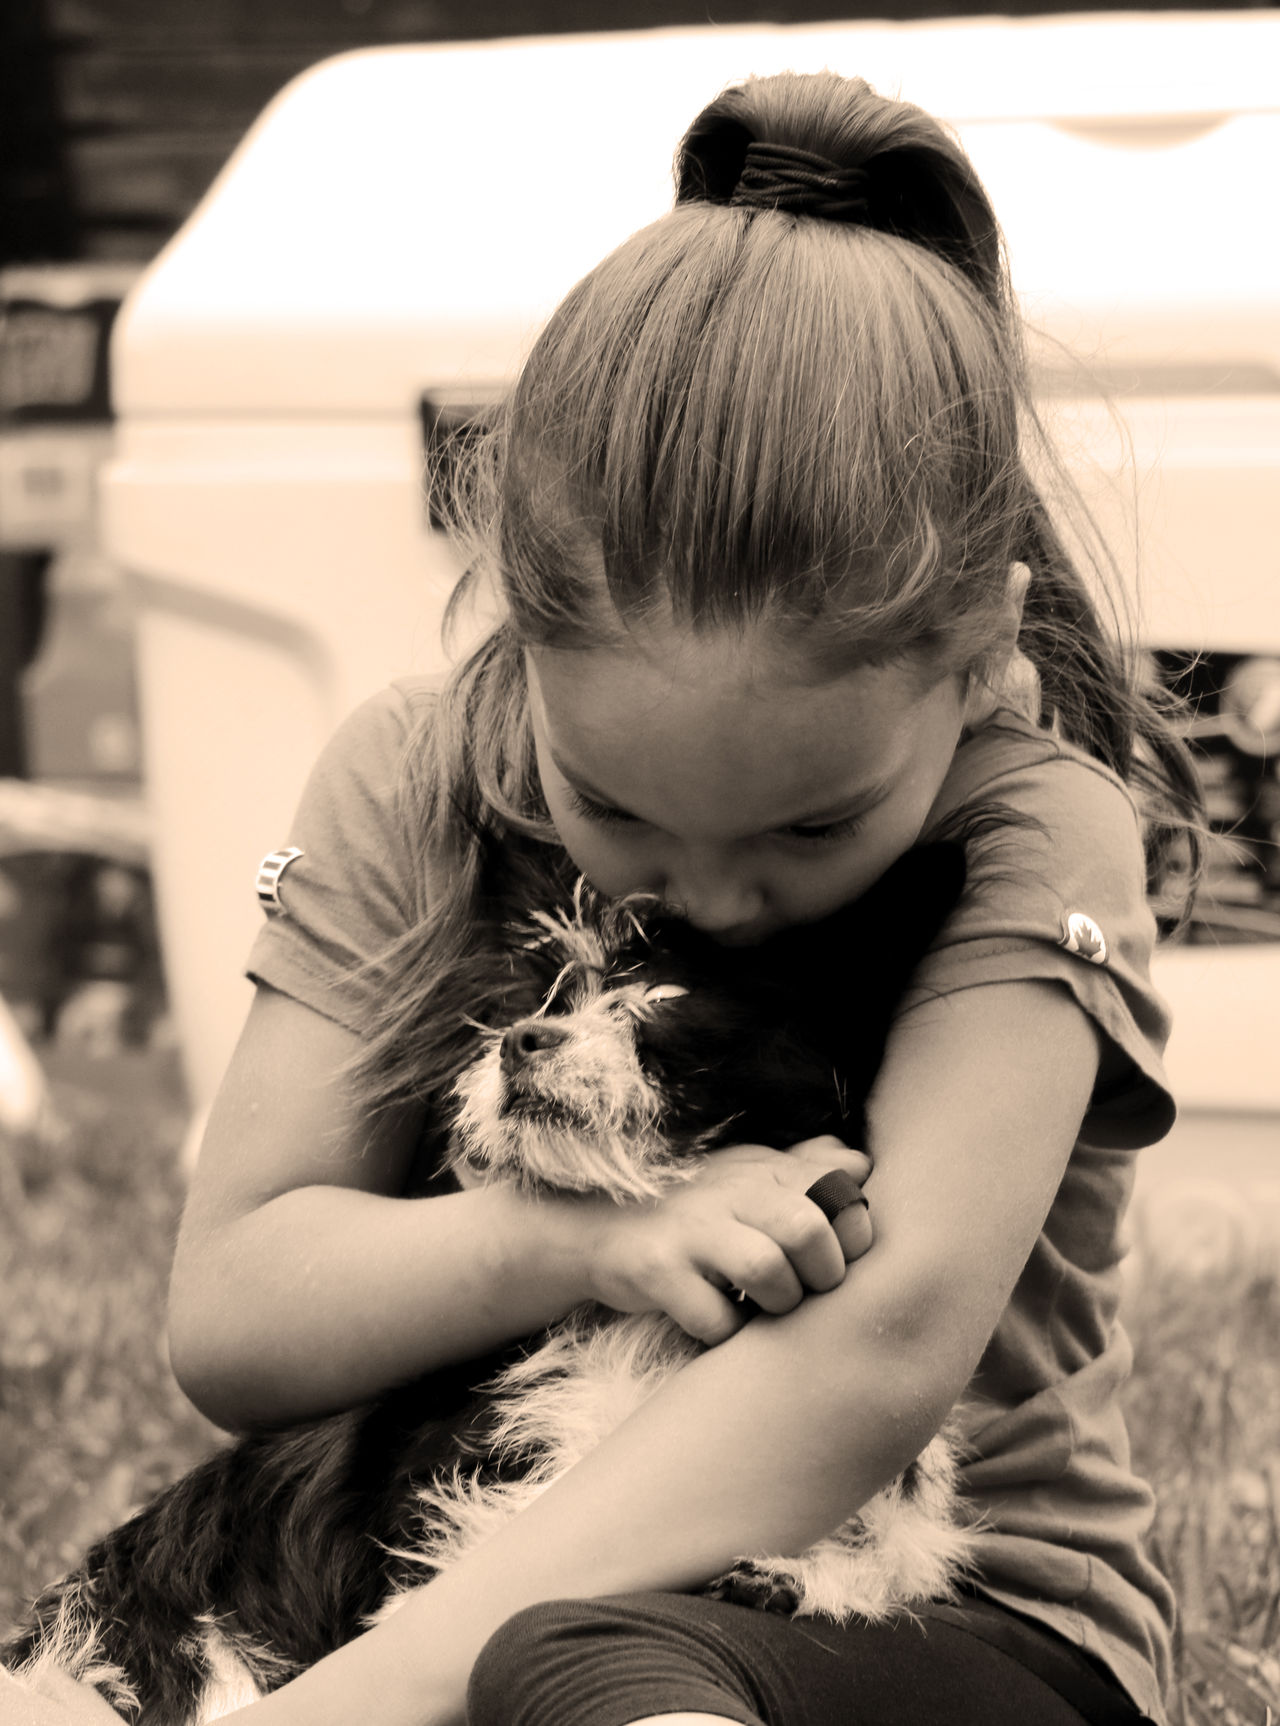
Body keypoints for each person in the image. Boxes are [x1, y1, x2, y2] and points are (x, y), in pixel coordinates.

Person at [31, 68, 1207, 1726]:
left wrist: (363, 1702)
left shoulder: (1030, 826)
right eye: (621, 815)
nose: (717, 893)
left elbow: (869, 1360)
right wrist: (584, 1230)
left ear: (979, 650)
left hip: (924, 1622)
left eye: (811, 828)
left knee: (573, 1668)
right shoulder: (403, 774)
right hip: (422, 1562)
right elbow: (237, 1315)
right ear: (505, 601)